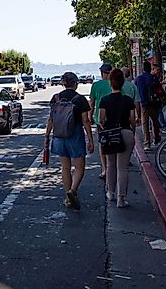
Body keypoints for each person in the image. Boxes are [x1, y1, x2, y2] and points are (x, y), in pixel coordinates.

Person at [45, 72, 94, 210]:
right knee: (79, 167)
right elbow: (85, 120)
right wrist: (90, 139)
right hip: (75, 135)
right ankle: (72, 191)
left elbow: (51, 119)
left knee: (65, 168)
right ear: (75, 83)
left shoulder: (56, 98)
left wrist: (47, 135)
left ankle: (67, 199)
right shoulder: (80, 99)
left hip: (59, 136)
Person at [99, 68, 136, 208]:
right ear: (122, 83)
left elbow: (101, 120)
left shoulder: (104, 100)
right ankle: (121, 198)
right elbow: (133, 120)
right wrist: (131, 130)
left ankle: (110, 192)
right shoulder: (128, 100)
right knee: (123, 167)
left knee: (110, 165)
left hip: (110, 133)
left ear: (110, 83)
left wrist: (104, 129)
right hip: (125, 131)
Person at [89, 63, 113, 179]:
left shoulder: (96, 85)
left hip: (100, 119)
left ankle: (105, 169)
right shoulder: (115, 84)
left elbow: (92, 103)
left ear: (102, 73)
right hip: (115, 118)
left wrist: (90, 117)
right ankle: (113, 167)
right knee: (115, 142)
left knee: (102, 144)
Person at [135, 62, 162, 148]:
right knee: (155, 121)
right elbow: (159, 89)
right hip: (153, 103)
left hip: (143, 103)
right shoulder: (153, 78)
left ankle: (147, 142)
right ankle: (156, 138)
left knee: (145, 123)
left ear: (142, 69)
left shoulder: (138, 79)